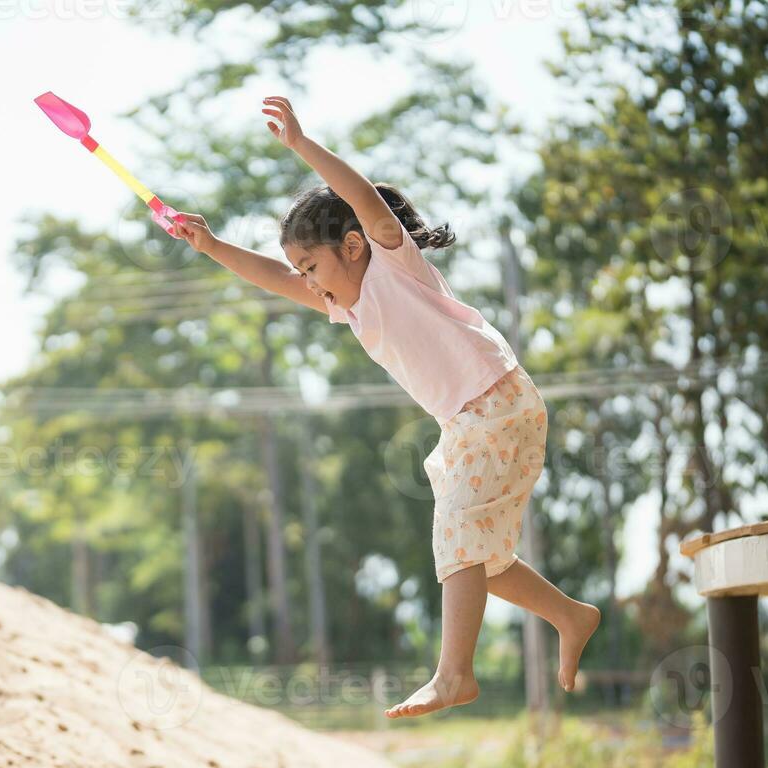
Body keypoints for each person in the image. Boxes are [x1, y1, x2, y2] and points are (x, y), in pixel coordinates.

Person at [172, 96, 600, 719]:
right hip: (475, 419)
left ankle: (454, 675)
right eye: (302, 271)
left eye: (312, 265)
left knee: (456, 541)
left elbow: (361, 196)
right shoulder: (346, 304)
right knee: (480, 556)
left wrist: (302, 145)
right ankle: (569, 614)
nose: (308, 282)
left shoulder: (391, 264)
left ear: (351, 245)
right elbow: (272, 277)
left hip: (494, 405)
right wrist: (211, 246)